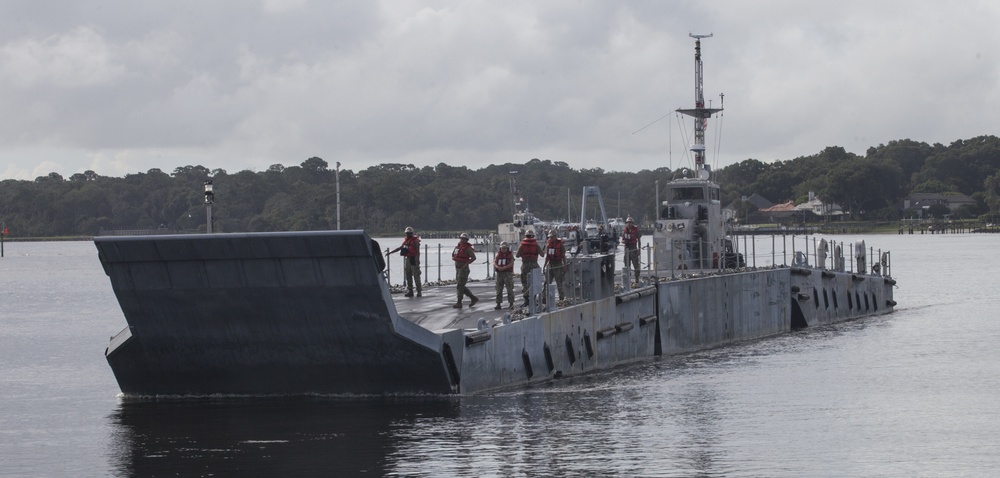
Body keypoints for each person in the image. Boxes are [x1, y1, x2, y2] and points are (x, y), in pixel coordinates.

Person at [387, 226, 422, 297]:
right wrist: (391, 252)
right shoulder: (406, 241)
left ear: (411, 233)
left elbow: (418, 252)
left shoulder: (415, 241)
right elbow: (400, 248)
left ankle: (419, 291)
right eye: (407, 233)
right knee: (408, 275)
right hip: (408, 259)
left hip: (414, 259)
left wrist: (417, 261)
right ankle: (410, 290)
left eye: (409, 233)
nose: (407, 235)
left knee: (416, 275)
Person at [515, 229, 542, 305]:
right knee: (535, 281)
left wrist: (523, 255)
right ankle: (533, 299)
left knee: (524, 282)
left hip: (525, 265)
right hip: (534, 264)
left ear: (525, 236)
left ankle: (526, 300)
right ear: (533, 236)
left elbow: (517, 255)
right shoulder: (536, 244)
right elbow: (542, 254)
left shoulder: (522, 245)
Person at [452, 233, 478, 308]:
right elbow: (453, 255)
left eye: (464, 239)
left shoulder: (468, 249)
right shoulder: (457, 247)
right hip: (457, 268)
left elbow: (473, 257)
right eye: (461, 239)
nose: (462, 240)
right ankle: (473, 298)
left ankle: (459, 302)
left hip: (464, 269)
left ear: (466, 240)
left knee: (459, 285)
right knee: (460, 285)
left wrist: (466, 264)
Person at [544, 229, 566, 302]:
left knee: (559, 282)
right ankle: (543, 299)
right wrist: (544, 266)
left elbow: (563, 256)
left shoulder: (560, 245)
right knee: (547, 282)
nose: (550, 238)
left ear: (555, 236)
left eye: (552, 237)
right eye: (549, 237)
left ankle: (561, 298)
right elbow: (547, 256)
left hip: (558, 264)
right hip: (550, 264)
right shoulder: (548, 245)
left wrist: (564, 265)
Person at [493, 241, 515, 309]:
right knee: (498, 289)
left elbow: (512, 263)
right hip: (499, 274)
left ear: (507, 248)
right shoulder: (498, 255)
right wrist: (497, 267)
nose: (504, 250)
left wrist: (505, 267)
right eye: (502, 248)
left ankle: (511, 303)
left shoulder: (510, 255)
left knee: (509, 289)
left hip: (507, 274)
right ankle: (498, 303)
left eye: (505, 248)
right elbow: (494, 262)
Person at [622, 216, 641, 283]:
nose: (629, 224)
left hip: (633, 247)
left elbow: (639, 240)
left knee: (635, 264)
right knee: (626, 264)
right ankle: (628, 280)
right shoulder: (625, 230)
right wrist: (625, 242)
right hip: (627, 248)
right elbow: (622, 239)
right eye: (628, 223)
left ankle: (637, 278)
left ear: (632, 223)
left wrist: (639, 249)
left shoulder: (636, 230)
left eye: (630, 223)